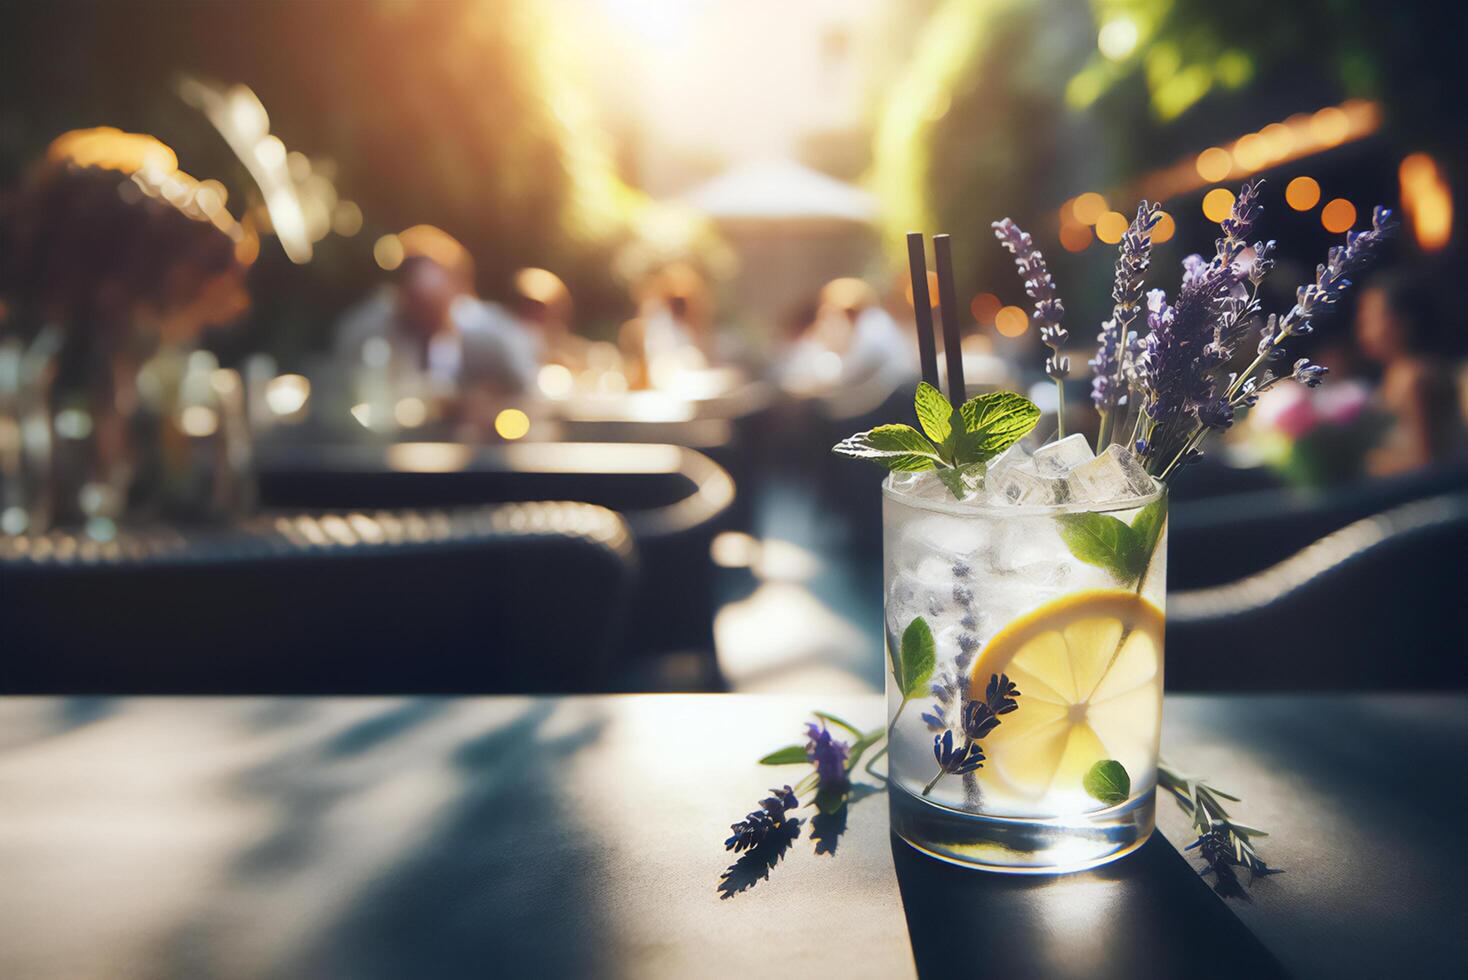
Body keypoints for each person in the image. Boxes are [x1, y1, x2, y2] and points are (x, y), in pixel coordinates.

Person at [336, 225, 538, 404]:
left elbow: (527, 394)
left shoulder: (491, 337)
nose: (424, 317)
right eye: (416, 302)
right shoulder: (375, 329)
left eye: (433, 303)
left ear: (458, 289)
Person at [1354, 269, 1466, 475]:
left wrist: (1362, 464)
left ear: (1404, 322)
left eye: (1371, 318)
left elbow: (1428, 460)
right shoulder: (1395, 374)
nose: (1363, 330)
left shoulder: (1416, 378)